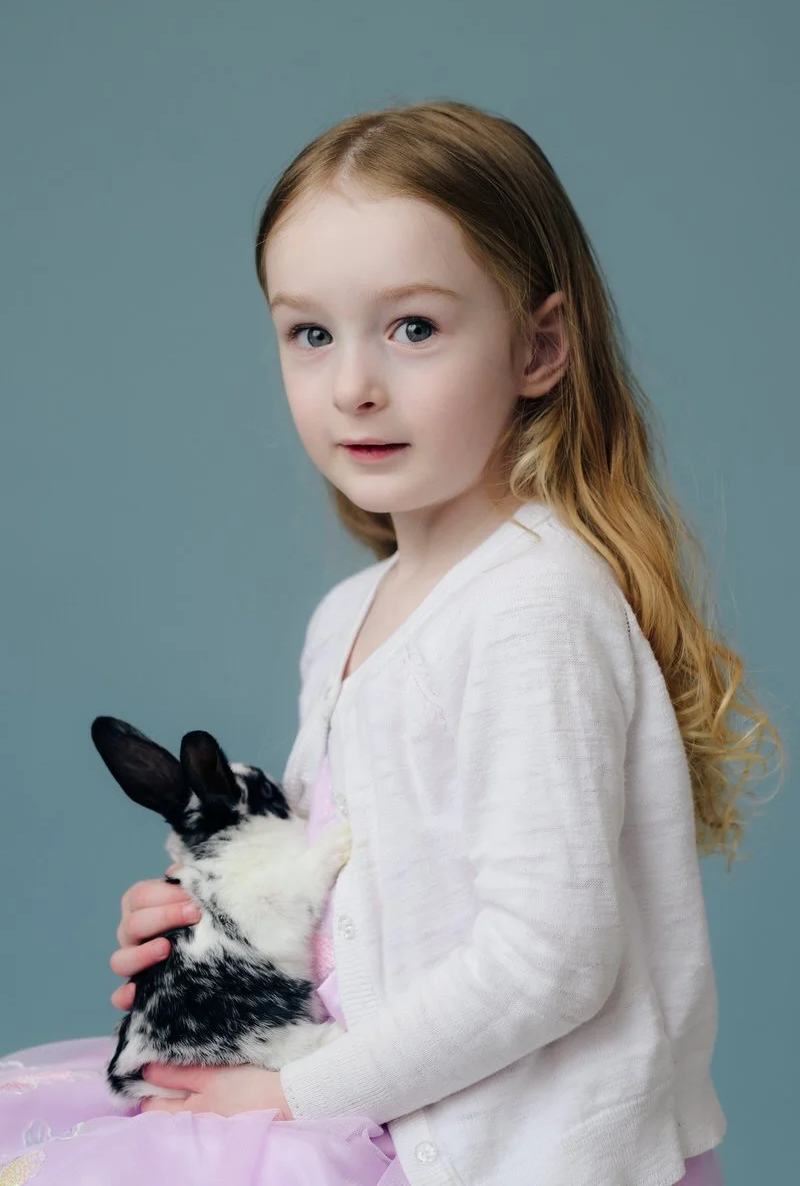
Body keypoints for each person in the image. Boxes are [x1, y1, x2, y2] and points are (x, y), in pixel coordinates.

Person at [0, 99, 782, 1185]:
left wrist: (292, 1096)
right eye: (309, 333)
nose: (353, 384)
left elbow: (548, 964)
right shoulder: (350, 616)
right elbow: (367, 904)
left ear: (537, 347)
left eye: (412, 328)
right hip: (407, 1138)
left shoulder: (531, 607)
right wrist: (210, 910)